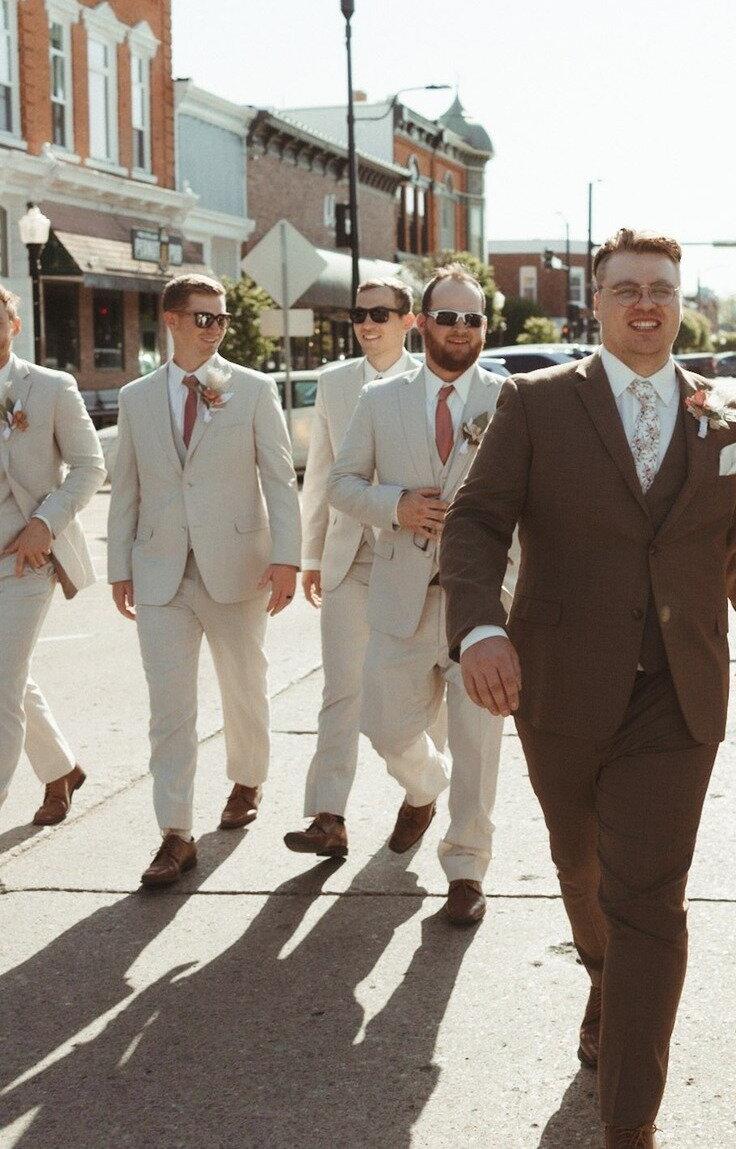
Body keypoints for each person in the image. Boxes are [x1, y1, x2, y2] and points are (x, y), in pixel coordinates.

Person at [442, 229, 736, 1149]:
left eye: (661, 288)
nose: (644, 302)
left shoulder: (724, 419)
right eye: (625, 287)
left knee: (650, 900)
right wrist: (479, 627)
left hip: (680, 692)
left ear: (681, 300)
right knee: (580, 867)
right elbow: (472, 523)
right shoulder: (536, 404)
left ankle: (629, 1118)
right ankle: (602, 976)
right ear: (596, 302)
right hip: (555, 686)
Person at [107, 274, 301, 888]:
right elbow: (127, 489)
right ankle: (176, 833)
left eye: (221, 319)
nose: (214, 328)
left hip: (237, 564)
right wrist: (119, 567)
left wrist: (287, 558)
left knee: (245, 686)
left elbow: (279, 477)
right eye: (203, 318)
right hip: (160, 569)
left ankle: (247, 777)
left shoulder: (252, 389)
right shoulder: (137, 397)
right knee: (170, 709)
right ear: (171, 319)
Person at [328, 265, 507, 925]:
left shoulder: (510, 398)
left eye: (473, 318)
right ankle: (425, 787)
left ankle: (466, 867)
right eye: (449, 316)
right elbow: (341, 483)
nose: (461, 329)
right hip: (400, 594)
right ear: (422, 323)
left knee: (479, 742)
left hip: (483, 604)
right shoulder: (380, 400)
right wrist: (394, 505)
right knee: (384, 725)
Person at [283, 276, 421, 860]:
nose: (368, 324)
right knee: (341, 688)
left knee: (410, 696)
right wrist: (312, 555)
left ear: (408, 321)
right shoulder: (336, 382)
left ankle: (422, 791)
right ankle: (328, 815)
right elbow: (320, 472)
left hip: (416, 560)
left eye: (381, 314)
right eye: (360, 314)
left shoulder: (429, 382)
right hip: (349, 557)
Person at [0, 283, 104, 826]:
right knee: (9, 680)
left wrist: (45, 522)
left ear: (14, 325)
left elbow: (90, 467)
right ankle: (61, 768)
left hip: (25, 561)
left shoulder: (50, 387)